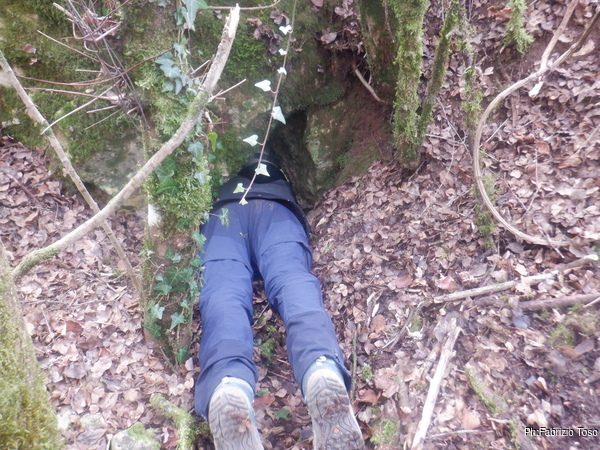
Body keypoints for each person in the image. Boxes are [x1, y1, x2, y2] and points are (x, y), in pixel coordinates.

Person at [194, 146, 364, 449]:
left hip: (224, 215)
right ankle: (320, 366)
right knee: (291, 280)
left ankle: (227, 383)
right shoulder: (281, 181)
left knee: (224, 293)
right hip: (277, 211)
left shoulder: (223, 182)